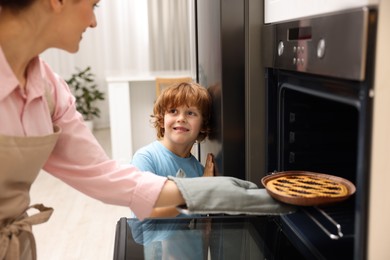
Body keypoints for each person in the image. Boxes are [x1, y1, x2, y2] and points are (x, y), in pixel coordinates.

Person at [0, 1, 295, 259]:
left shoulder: (49, 90)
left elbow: (103, 175)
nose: (93, 21)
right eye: (94, 4)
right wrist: (200, 192)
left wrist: (205, 191)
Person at [129, 82, 214, 259]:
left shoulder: (199, 171)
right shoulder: (146, 158)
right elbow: (146, 213)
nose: (181, 118)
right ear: (162, 119)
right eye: (173, 111)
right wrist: (198, 189)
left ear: (203, 126)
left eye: (190, 113)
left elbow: (202, 226)